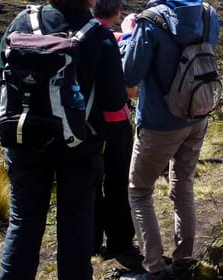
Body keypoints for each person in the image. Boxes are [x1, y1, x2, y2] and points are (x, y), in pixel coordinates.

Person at [0, 0, 127, 280]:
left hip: (23, 141)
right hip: (79, 148)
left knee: (23, 225)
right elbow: (115, 100)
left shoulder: (21, 22)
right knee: (75, 225)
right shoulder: (100, 35)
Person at [118, 0, 219, 280]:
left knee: (139, 191)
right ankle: (184, 262)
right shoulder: (208, 13)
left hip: (159, 123)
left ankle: (155, 272)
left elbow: (129, 75)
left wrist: (127, 35)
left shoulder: (150, 22)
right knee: (183, 185)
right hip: (198, 114)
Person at [91, 0, 138, 263]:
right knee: (118, 180)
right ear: (117, 11)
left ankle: (91, 240)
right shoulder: (117, 38)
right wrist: (129, 33)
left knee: (91, 181)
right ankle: (119, 240)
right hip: (116, 120)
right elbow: (129, 88)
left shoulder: (80, 34)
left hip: (85, 123)